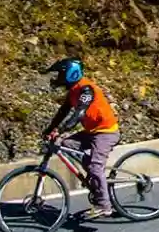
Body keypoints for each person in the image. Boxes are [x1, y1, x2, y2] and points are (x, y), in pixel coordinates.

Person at [42, 57, 121, 219]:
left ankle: (104, 206)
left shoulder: (86, 90)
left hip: (106, 131)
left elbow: (79, 114)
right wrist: (50, 129)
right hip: (92, 132)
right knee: (66, 144)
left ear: (71, 74)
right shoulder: (73, 92)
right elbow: (62, 112)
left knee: (95, 166)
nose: (58, 78)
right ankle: (95, 178)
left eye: (61, 75)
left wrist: (61, 129)